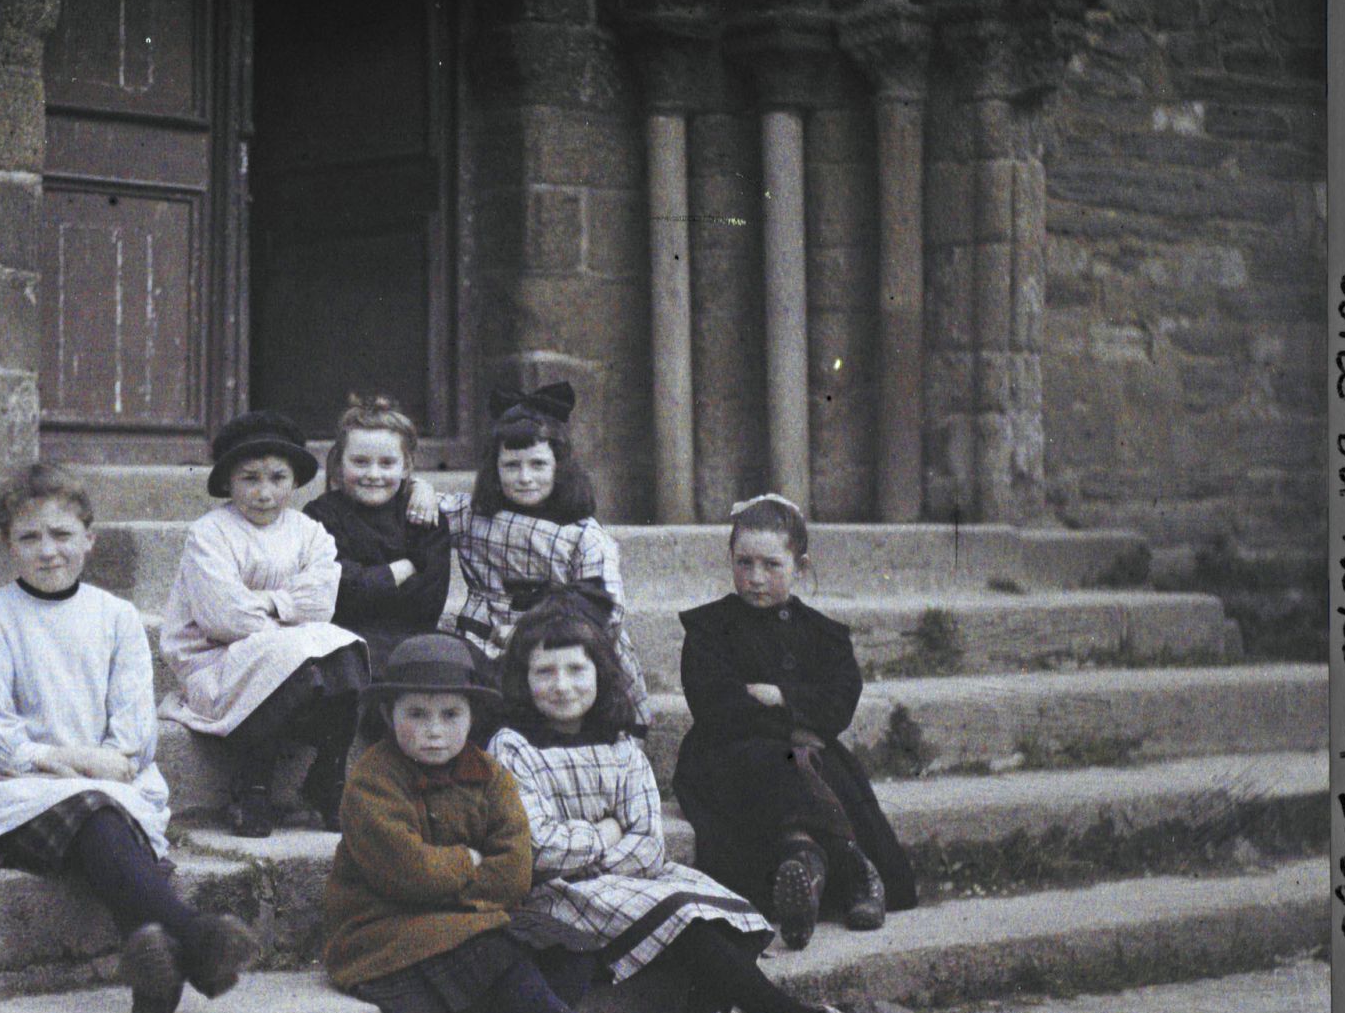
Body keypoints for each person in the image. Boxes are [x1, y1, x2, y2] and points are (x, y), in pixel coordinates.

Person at [488, 599, 921, 1013]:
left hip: (626, 884)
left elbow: (650, 846)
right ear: (522, 680)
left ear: (601, 674)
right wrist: (609, 834)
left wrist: (601, 845)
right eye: (545, 673)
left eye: (576, 669)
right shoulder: (513, 747)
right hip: (556, 894)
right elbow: (541, 847)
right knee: (684, 917)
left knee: (714, 913)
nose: (563, 686)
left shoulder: (621, 747)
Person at [322, 632, 695, 1013]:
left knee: (570, 947)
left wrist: (462, 875)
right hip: (384, 930)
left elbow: (514, 873)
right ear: (389, 714)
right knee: (495, 953)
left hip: (463, 921)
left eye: (450, 715)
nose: (434, 730)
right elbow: (406, 873)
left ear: (472, 717)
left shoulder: (491, 776)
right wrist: (470, 862)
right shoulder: (374, 780)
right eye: (416, 714)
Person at [0, 464, 259, 1013]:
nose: (48, 551)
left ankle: (160, 970)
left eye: (62, 535)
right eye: (29, 537)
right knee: (99, 816)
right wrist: (73, 761)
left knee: (101, 817)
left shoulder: (116, 618)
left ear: (89, 540)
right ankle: (196, 939)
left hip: (107, 788)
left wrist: (95, 765)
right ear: (6, 545)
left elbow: (134, 738)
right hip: (9, 795)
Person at [672, 493, 919, 950]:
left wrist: (780, 697)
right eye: (744, 563)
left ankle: (805, 860)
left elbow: (838, 704)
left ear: (800, 566)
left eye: (771, 565)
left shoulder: (824, 636)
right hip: (728, 753)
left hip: (807, 753)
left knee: (810, 767)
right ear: (730, 559)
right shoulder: (710, 630)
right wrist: (796, 720)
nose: (755, 578)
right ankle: (850, 867)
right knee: (782, 764)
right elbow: (715, 704)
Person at [161, 411, 370, 837]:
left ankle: (327, 777)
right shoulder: (210, 534)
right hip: (214, 659)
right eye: (249, 479)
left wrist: (267, 602)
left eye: (277, 478)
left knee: (347, 650)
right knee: (295, 658)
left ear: (294, 482)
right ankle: (251, 784)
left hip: (283, 650)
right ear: (228, 483)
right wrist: (288, 614)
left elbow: (320, 603)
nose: (264, 492)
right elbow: (225, 616)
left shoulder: (310, 532)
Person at [436, 381, 652, 731]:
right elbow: (427, 512)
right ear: (495, 469)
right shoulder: (474, 514)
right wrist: (415, 492)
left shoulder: (583, 535)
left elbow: (606, 607)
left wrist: (529, 632)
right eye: (512, 466)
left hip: (560, 639)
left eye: (538, 465)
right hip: (484, 637)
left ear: (559, 466)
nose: (525, 478)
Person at [302, 394, 452, 677]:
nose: (373, 474)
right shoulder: (320, 516)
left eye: (387, 463)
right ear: (338, 463)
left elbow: (427, 604)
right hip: (341, 641)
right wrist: (401, 569)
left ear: (406, 466)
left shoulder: (423, 518)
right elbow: (332, 591)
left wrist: (363, 580)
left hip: (411, 642)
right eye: (360, 462)